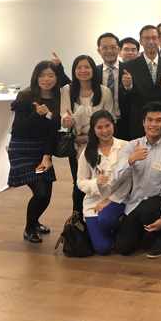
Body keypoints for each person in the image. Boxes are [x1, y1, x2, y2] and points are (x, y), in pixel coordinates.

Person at [113, 102, 161, 258]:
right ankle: (145, 231)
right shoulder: (132, 146)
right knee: (123, 247)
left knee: (147, 210)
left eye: (159, 120)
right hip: (134, 202)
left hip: (156, 202)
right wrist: (131, 160)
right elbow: (117, 178)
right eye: (149, 120)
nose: (153, 124)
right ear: (143, 122)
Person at [8, 61, 60, 243]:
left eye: (51, 75)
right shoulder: (25, 96)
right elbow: (17, 129)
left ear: (56, 78)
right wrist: (36, 115)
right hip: (21, 150)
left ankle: (35, 222)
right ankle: (29, 228)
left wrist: (47, 157)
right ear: (36, 77)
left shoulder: (57, 99)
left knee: (47, 194)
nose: (46, 79)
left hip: (41, 152)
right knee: (41, 192)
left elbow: (52, 132)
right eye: (42, 75)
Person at [61, 55, 114, 218]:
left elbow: (109, 120)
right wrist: (66, 120)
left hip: (100, 144)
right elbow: (63, 116)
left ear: (93, 70)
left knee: (101, 181)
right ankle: (77, 221)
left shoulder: (104, 92)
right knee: (79, 184)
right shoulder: (67, 90)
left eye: (87, 67)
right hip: (76, 145)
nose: (83, 71)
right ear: (74, 70)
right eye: (79, 67)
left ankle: (98, 217)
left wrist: (88, 138)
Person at [76, 111, 130, 255]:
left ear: (113, 125)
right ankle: (107, 231)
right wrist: (95, 182)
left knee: (106, 220)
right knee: (102, 249)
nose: (104, 131)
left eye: (107, 126)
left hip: (119, 199)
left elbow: (129, 180)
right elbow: (80, 182)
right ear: (93, 130)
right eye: (99, 127)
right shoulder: (87, 152)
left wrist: (108, 201)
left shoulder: (125, 146)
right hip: (94, 202)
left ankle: (118, 226)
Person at [122, 25, 161, 140]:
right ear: (141, 41)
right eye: (147, 38)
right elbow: (124, 97)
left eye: (154, 38)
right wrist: (127, 86)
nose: (151, 42)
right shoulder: (129, 66)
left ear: (159, 40)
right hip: (139, 123)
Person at [96, 33, 129, 140]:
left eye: (113, 47)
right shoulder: (94, 72)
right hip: (101, 124)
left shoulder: (129, 69)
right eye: (105, 48)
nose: (109, 51)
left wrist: (129, 86)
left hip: (125, 122)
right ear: (99, 51)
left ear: (119, 50)